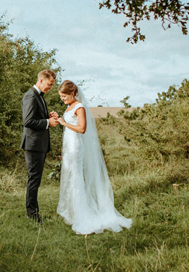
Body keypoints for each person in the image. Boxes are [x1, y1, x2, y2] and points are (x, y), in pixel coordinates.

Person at [55, 80, 132, 235]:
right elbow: (68, 124)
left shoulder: (80, 107)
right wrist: (59, 118)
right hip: (68, 147)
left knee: (76, 178)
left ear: (72, 94)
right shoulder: (69, 107)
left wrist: (63, 123)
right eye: (61, 96)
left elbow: (82, 129)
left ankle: (81, 215)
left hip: (76, 147)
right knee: (69, 177)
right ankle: (71, 213)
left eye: (64, 96)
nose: (62, 99)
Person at [21, 69, 59, 224]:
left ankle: (33, 212)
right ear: (41, 80)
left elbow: (35, 117)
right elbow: (28, 121)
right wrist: (48, 123)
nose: (50, 88)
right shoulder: (31, 96)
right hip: (33, 145)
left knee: (35, 179)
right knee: (34, 179)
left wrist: (46, 117)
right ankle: (32, 214)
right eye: (49, 85)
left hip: (39, 145)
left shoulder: (39, 96)